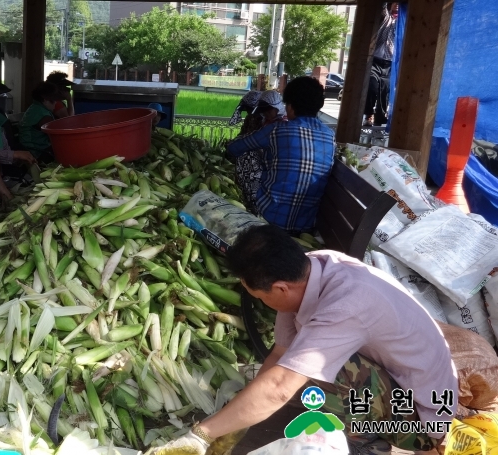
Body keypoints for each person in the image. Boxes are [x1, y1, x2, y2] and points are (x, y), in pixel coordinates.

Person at [150, 224, 477, 455]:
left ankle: (369, 447)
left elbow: (280, 386)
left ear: (279, 289)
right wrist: (236, 423)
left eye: (259, 296)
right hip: (400, 383)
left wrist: (201, 434)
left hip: (421, 416)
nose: (262, 303)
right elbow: (280, 353)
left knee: (318, 372)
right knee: (297, 368)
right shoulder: (312, 268)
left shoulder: (346, 305)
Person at [226, 77, 335, 234]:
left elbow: (235, 148)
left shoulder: (276, 129)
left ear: (290, 107)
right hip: (305, 224)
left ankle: (252, 206)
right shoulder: (330, 136)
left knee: (247, 155)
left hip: (270, 217)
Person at [229, 90, 288, 207]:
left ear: (276, 108)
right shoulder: (268, 122)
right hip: (270, 168)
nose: (264, 113)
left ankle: (254, 202)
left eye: (267, 110)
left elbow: (247, 143)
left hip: (273, 171)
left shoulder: (276, 126)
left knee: (247, 156)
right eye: (263, 111)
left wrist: (231, 148)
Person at [365, 3, 398, 126]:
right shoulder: (386, 18)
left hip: (390, 63)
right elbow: (383, 7)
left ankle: (380, 119)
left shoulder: (403, 22)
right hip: (376, 60)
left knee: (385, 90)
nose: (397, 5)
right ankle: (369, 115)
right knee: (372, 84)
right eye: (395, 3)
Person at [19, 81, 60, 164]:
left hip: (28, 148)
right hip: (37, 153)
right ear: (45, 99)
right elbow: (56, 135)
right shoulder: (43, 115)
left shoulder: (35, 108)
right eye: (53, 100)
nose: (55, 103)